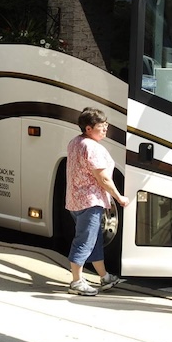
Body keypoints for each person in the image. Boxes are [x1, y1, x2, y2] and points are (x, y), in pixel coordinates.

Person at [64, 107, 130, 296]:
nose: (105, 129)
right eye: (101, 126)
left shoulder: (75, 142)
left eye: (106, 125)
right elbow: (103, 179)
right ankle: (76, 281)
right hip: (90, 202)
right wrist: (120, 198)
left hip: (75, 200)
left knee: (95, 239)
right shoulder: (92, 147)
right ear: (88, 128)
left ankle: (105, 276)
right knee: (85, 240)